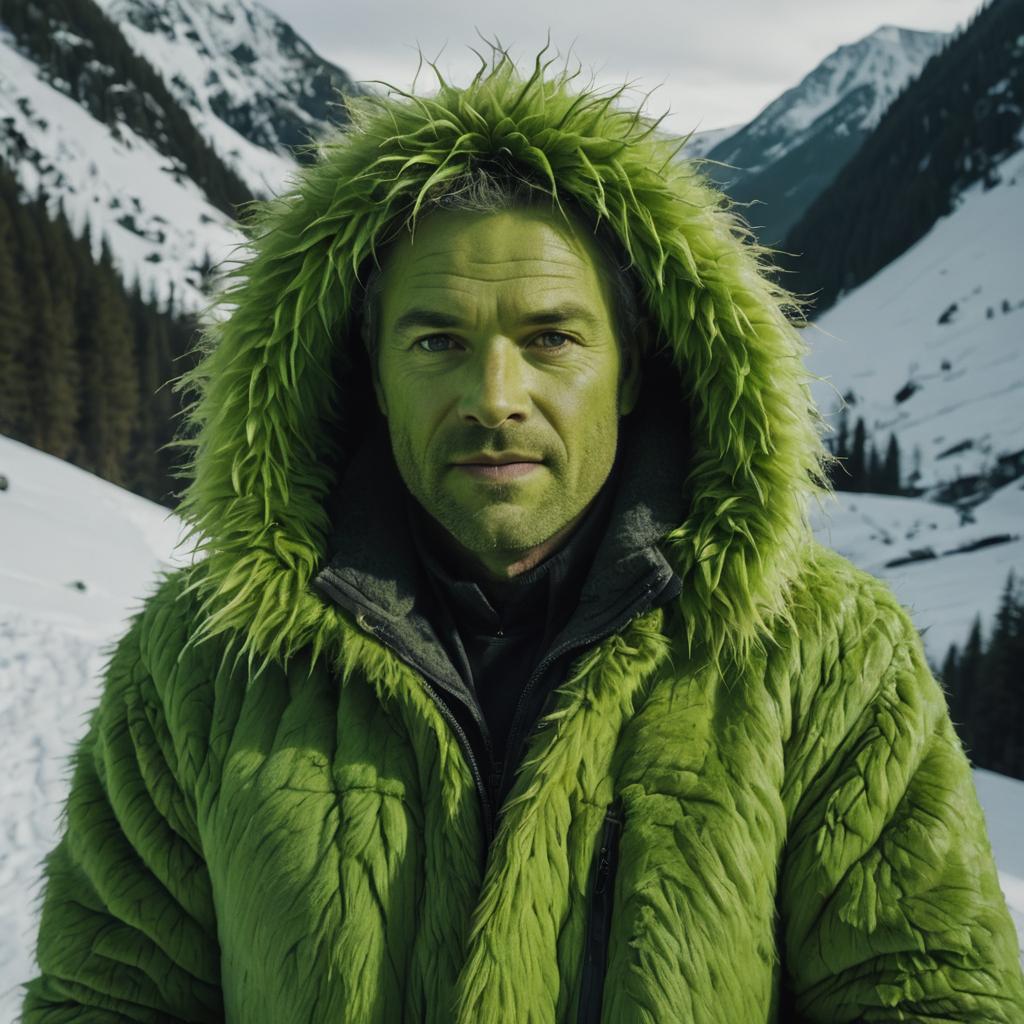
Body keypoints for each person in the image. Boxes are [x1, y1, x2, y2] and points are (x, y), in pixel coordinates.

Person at [21, 50, 1024, 1023]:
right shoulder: (201, 664)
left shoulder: (827, 657)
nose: (495, 399)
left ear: (634, 369)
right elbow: (105, 999)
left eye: (549, 338)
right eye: (436, 342)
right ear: (368, 374)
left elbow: (930, 995)